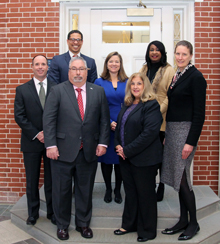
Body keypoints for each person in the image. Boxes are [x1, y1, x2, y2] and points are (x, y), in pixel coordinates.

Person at [43, 56, 110, 241]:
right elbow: (48, 121)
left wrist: (103, 143)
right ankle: (62, 225)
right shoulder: (57, 91)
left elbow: (104, 120)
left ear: (87, 71)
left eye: (81, 69)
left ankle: (83, 224)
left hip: (88, 151)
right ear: (69, 71)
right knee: (61, 191)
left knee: (85, 190)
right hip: (61, 152)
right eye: (74, 69)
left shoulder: (97, 91)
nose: (78, 73)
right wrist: (51, 145)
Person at [161, 40, 207, 241]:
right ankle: (183, 220)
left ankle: (193, 223)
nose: (180, 57)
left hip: (185, 132)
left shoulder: (196, 77)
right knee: (178, 179)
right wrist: (166, 134)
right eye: (177, 53)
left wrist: (190, 142)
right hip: (173, 131)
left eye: (184, 54)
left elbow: (199, 114)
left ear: (191, 55)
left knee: (182, 178)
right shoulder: (178, 75)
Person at [114, 72, 163, 242]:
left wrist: (127, 150)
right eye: (132, 84)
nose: (135, 86)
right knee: (131, 193)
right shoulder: (128, 104)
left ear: (145, 86)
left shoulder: (151, 105)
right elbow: (120, 127)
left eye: (139, 84)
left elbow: (149, 134)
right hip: (126, 158)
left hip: (145, 159)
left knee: (146, 195)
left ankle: (147, 231)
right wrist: (118, 145)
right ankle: (129, 224)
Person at [14, 55, 56, 226]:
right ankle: (33, 214)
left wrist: (48, 133)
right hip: (31, 142)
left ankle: (52, 213)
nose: (40, 67)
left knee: (52, 180)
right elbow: (19, 116)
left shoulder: (57, 88)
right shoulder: (22, 89)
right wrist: (37, 133)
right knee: (32, 180)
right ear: (32, 67)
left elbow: (61, 114)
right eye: (37, 64)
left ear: (48, 67)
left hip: (52, 142)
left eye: (43, 64)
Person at [140, 40, 175, 202]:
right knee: (148, 153)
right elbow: (138, 88)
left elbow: (170, 96)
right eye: (151, 50)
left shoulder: (169, 70)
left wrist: (156, 111)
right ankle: (149, 184)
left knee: (160, 155)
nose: (154, 52)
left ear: (162, 52)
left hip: (161, 119)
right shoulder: (144, 69)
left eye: (157, 50)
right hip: (145, 118)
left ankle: (161, 185)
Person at [94, 51, 128, 204]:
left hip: (124, 126)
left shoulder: (128, 81)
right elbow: (95, 106)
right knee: (107, 160)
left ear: (120, 64)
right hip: (104, 125)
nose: (114, 64)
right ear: (106, 64)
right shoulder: (98, 82)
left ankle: (117, 189)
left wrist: (121, 122)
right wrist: (108, 122)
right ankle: (108, 188)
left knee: (120, 158)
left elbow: (132, 103)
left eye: (117, 61)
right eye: (111, 61)